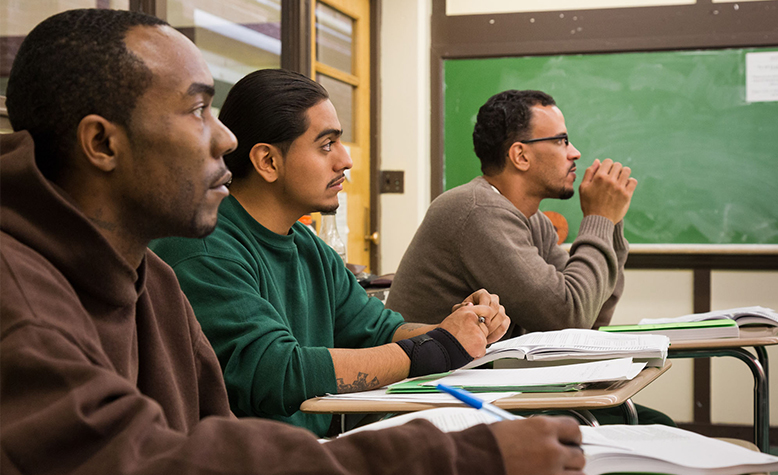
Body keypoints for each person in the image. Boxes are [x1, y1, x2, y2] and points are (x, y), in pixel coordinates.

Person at [1, 9, 586, 474]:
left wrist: (458, 330)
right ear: (103, 144)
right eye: (199, 110)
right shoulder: (22, 300)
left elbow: (220, 429)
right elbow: (154, 458)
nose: (224, 138)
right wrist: (463, 452)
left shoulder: (149, 277)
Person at [150, 69, 510, 437]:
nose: (345, 160)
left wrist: (463, 328)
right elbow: (277, 372)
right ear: (268, 162)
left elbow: (380, 332)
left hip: (315, 450)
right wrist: (436, 348)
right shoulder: (204, 246)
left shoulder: (307, 245)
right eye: (326, 145)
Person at [386, 90, 636, 338]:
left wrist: (610, 223)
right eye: (561, 141)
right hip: (426, 376)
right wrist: (599, 218)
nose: (575, 152)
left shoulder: (533, 220)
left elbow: (591, 314)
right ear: (520, 155)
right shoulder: (478, 210)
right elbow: (568, 317)